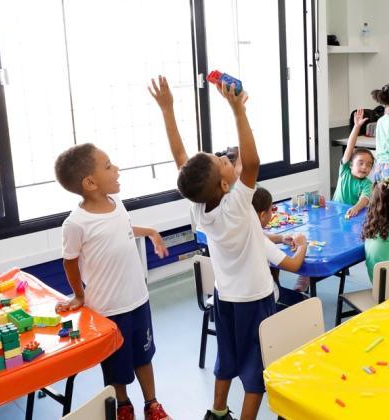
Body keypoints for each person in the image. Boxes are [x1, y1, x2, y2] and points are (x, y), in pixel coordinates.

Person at [149, 75, 272, 420]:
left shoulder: (201, 207)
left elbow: (180, 159)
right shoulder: (236, 205)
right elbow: (253, 162)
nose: (225, 157)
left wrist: (168, 110)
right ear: (223, 181)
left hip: (225, 295)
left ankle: (217, 412)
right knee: (255, 370)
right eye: (222, 161)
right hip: (253, 297)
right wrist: (237, 111)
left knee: (227, 357)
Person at [53, 144, 171, 420]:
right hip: (108, 309)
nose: (116, 169)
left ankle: (151, 403)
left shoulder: (117, 203)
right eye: (108, 166)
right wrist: (78, 296)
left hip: (138, 299)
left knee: (144, 354)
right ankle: (123, 404)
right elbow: (69, 261)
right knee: (116, 365)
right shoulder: (76, 224)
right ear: (90, 182)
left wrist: (150, 231)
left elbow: (123, 228)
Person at [251, 187, 309, 307]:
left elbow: (264, 235)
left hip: (235, 298)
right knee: (306, 302)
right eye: (271, 210)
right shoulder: (260, 241)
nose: (272, 213)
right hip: (264, 300)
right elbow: (294, 265)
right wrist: (302, 245)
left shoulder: (244, 229)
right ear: (262, 215)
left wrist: (281, 238)